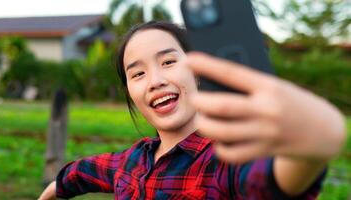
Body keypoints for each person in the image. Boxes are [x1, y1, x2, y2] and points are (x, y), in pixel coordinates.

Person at [38, 21, 346, 200]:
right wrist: (53, 190)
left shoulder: (226, 160)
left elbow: (271, 181)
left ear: (198, 70)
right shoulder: (129, 162)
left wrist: (310, 147)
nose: (156, 81)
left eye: (169, 62)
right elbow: (83, 172)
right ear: (130, 92)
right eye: (138, 73)